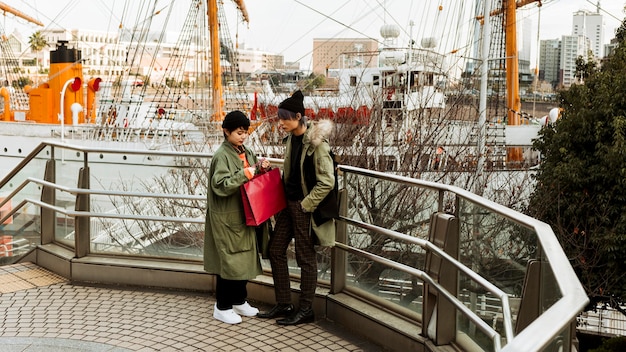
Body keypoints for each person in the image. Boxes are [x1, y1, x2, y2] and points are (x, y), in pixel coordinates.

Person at [257, 90, 336, 325]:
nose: (280, 123)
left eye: (285, 118)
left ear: (298, 116)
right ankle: (284, 303)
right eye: (279, 118)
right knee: (275, 249)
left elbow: (327, 181)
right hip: (288, 205)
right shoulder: (291, 138)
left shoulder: (317, 144)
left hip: (302, 207)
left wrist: (305, 205)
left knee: (305, 258)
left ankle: (305, 309)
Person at [204, 110, 271, 324]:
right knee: (229, 261)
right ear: (226, 131)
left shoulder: (246, 151)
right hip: (227, 218)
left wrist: (260, 169)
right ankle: (222, 306)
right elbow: (221, 185)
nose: (243, 137)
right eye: (239, 133)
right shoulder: (221, 155)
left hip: (245, 215)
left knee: (243, 259)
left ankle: (239, 300)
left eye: (245, 133)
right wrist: (250, 172)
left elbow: (251, 175)